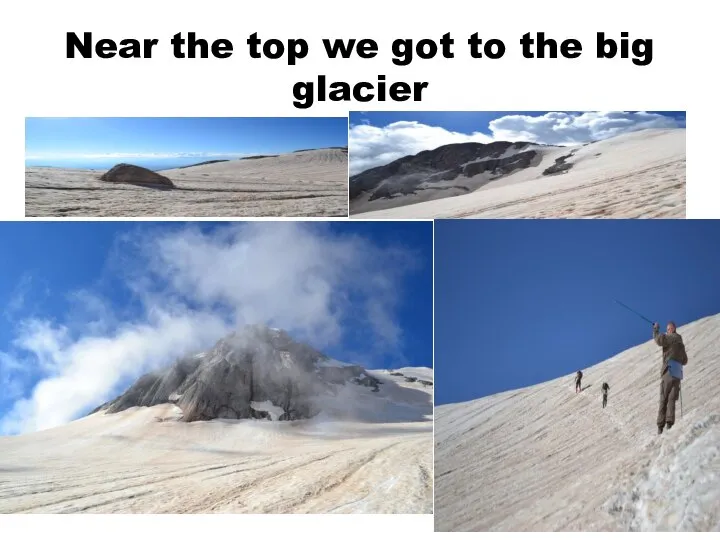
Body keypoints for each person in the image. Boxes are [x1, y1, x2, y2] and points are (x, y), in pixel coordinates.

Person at [653, 320, 688, 434]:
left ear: (673, 329)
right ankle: (669, 424)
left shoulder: (671, 337)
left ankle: (660, 427)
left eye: (668, 329)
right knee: (672, 399)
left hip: (668, 371)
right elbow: (685, 360)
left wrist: (656, 329)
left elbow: (660, 340)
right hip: (677, 374)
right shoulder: (680, 343)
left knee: (664, 398)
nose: (667, 331)